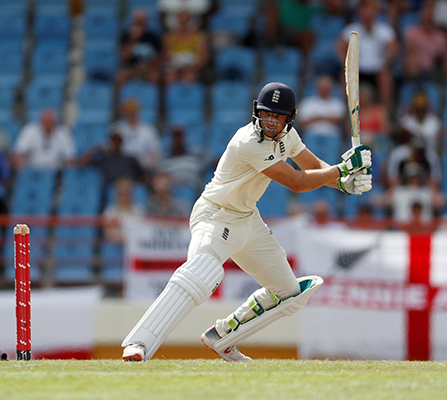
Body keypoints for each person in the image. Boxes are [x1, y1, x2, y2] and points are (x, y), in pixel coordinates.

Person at [121, 82, 373, 362]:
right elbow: (297, 182)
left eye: (278, 117)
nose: (271, 121)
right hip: (215, 215)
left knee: (289, 293)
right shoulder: (248, 142)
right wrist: (342, 170)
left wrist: (344, 183)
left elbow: (313, 168)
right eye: (266, 114)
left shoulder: (288, 137)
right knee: (202, 272)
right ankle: (139, 343)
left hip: (247, 220)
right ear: (256, 111)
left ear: (289, 119)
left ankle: (223, 335)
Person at [337, 1, 398, 109]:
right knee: (344, 75)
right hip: (357, 68)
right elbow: (340, 47)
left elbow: (393, 46)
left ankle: (386, 110)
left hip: (378, 68)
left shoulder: (384, 30)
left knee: (386, 76)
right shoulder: (351, 29)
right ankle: (348, 110)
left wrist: (386, 60)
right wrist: (346, 62)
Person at [12, 108, 76, 171]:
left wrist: (66, 175)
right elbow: (19, 153)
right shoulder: (29, 131)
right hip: (33, 171)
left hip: (56, 171)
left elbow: (69, 157)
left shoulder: (63, 133)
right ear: (41, 121)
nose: (48, 125)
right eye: (46, 122)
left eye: (51, 122)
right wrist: (23, 172)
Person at [116, 9, 162, 86]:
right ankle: (118, 98)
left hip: (149, 67)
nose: (139, 24)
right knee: (121, 76)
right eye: (137, 21)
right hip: (130, 67)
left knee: (155, 76)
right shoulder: (125, 36)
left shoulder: (153, 37)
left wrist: (147, 66)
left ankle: (155, 97)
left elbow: (159, 57)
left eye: (141, 21)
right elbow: (124, 57)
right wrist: (133, 39)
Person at [162, 9, 209, 83]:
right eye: (181, 20)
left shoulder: (199, 36)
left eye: (186, 20)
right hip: (175, 66)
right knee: (170, 77)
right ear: (177, 20)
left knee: (189, 77)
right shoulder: (170, 37)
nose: (183, 22)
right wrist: (173, 62)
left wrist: (192, 67)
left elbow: (203, 58)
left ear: (190, 21)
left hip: (192, 67)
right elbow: (165, 56)